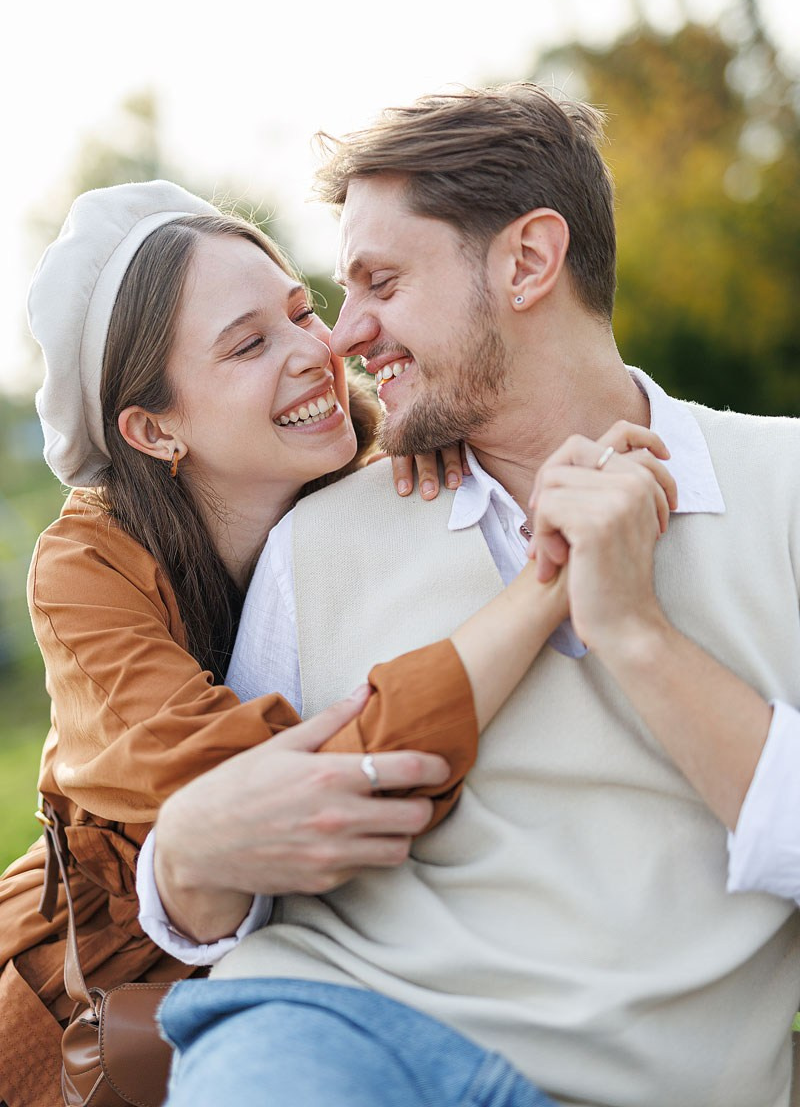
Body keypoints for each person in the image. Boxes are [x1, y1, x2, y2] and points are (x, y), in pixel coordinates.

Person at [144, 85, 800, 1107]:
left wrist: (631, 630)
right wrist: (179, 869)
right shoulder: (317, 541)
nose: (343, 335)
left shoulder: (785, 491)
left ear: (529, 261)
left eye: (383, 283)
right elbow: (234, 862)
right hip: (336, 1035)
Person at [0, 175, 620, 1107]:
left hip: (317, 990)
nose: (316, 351)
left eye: (301, 312)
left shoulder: (381, 485)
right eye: (250, 344)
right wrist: (541, 590)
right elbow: (266, 787)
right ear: (153, 427)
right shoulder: (88, 567)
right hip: (86, 1000)